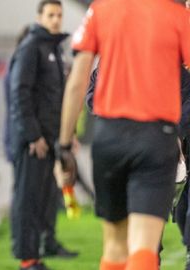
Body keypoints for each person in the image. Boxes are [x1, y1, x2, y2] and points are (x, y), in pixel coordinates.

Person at [54, 0, 190, 269]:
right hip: (156, 137)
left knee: (116, 245)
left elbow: (77, 83)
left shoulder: (101, 10)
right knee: (145, 245)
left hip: (110, 137)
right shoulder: (177, 16)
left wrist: (64, 145)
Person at [6, 1, 76, 269]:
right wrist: (33, 135)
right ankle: (27, 260)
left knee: (42, 200)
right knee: (28, 200)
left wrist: (64, 136)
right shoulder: (31, 47)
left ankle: (35, 255)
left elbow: (56, 100)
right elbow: (19, 94)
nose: (56, 19)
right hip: (33, 143)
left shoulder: (53, 48)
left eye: (59, 15)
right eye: (51, 15)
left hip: (49, 141)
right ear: (39, 17)